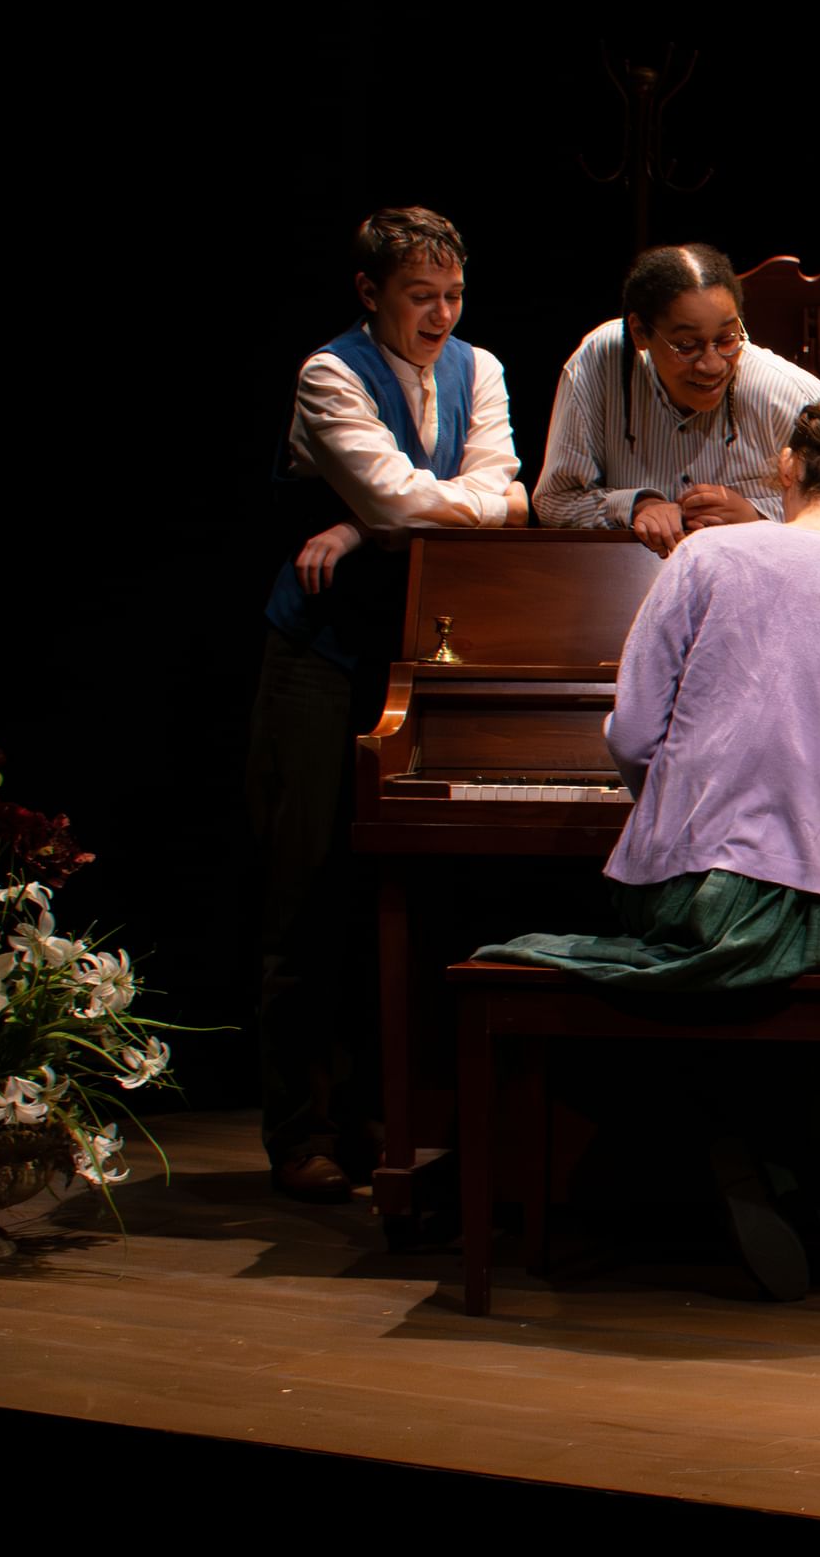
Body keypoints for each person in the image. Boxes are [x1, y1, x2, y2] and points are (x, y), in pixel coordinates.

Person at [481, 393, 820, 1292]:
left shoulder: (706, 554)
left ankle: (721, 1147)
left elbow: (629, 737)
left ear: (786, 469)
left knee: (692, 955)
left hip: (681, 889)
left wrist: (686, 810)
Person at [251, 206, 529, 1203]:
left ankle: (388, 1118)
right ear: (371, 294)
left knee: (403, 893)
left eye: (453, 295)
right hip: (323, 658)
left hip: (418, 656)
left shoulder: (481, 368)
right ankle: (300, 1128)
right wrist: (392, 517)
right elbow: (406, 499)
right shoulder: (329, 372)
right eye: (422, 297)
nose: (442, 316)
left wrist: (378, 526)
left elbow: (511, 498)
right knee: (309, 885)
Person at [533, 243, 820, 557]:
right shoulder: (601, 362)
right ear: (639, 332)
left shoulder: (787, 393)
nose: (712, 365)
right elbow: (555, 502)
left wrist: (758, 518)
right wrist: (635, 506)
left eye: (727, 339)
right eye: (687, 346)